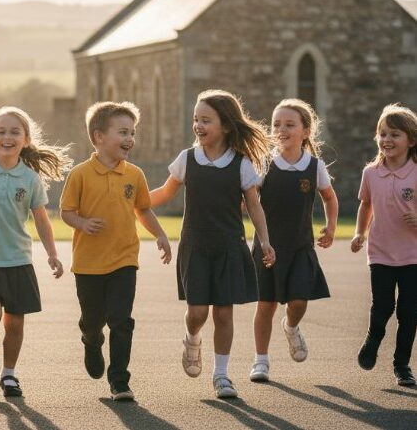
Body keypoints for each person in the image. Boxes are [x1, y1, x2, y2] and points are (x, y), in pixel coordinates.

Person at [150, 89, 275, 399]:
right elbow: (163, 194)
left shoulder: (242, 164)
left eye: (206, 120)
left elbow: (255, 206)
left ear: (227, 126)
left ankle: (221, 375)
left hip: (229, 247)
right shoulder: (187, 159)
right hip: (195, 247)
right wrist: (127, 201)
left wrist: (265, 241)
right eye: (196, 119)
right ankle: (192, 338)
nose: (198, 125)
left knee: (223, 314)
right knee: (197, 313)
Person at [0, 106, 70, 398]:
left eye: (15, 132)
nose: (8, 137)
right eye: (1, 131)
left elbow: (42, 219)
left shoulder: (29, 178)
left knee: (16, 321)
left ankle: (9, 375)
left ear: (26, 139)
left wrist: (52, 253)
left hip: (18, 260)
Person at [60, 101, 172, 401]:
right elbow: (66, 212)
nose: (129, 139)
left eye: (132, 133)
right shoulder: (80, 174)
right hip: (88, 264)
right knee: (93, 319)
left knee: (121, 319)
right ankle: (91, 339)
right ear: (98, 137)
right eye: (122, 132)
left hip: (124, 259)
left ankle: (119, 381)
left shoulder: (134, 175)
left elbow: (144, 209)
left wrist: (160, 234)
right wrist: (82, 222)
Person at [250, 99, 337, 382]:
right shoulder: (263, 164)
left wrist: (331, 226)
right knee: (266, 304)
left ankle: (291, 327)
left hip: (301, 246)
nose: (281, 129)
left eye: (289, 124)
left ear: (306, 131)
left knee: (299, 301)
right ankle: (260, 360)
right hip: (268, 246)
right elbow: (248, 201)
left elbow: (329, 197)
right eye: (276, 124)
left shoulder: (314, 166)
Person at [351, 103, 417, 387]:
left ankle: (402, 365)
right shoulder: (371, 173)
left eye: (395, 134)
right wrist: (359, 233)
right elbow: (366, 205)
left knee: (409, 313)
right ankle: (373, 339)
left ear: (411, 140)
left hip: (413, 254)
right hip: (380, 252)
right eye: (383, 134)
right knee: (382, 307)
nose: (387, 140)